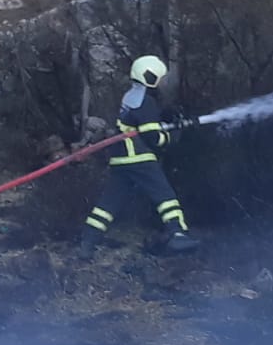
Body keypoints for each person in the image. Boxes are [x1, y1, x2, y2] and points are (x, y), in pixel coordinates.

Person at [82, 54, 198, 254]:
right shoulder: (145, 102)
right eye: (159, 79)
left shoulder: (131, 97)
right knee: (165, 196)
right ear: (151, 77)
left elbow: (144, 122)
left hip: (120, 159)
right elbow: (154, 138)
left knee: (108, 203)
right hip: (139, 158)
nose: (162, 83)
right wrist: (174, 135)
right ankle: (178, 233)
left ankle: (87, 243)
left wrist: (168, 118)